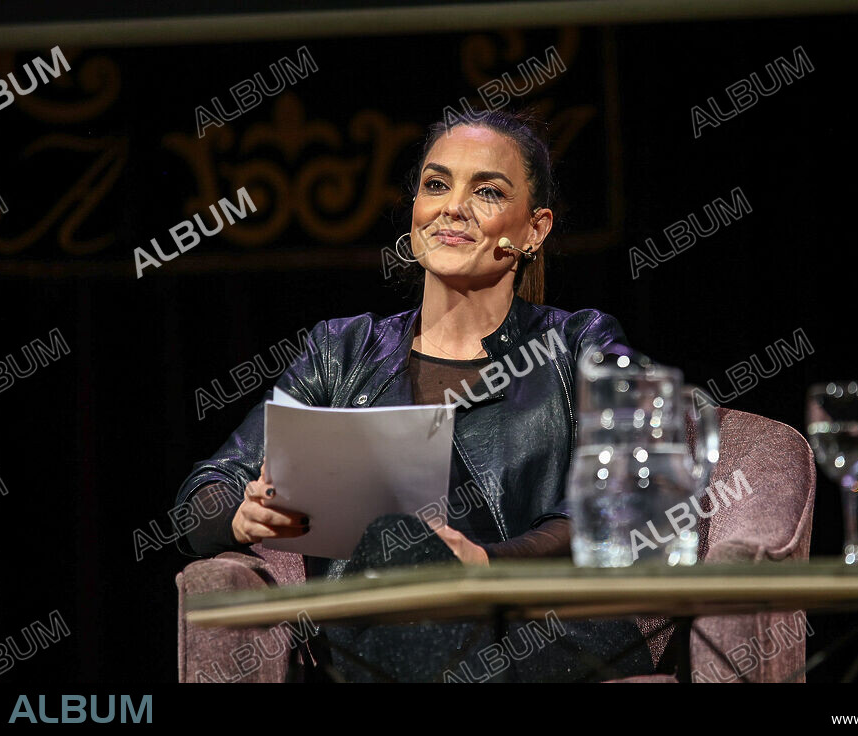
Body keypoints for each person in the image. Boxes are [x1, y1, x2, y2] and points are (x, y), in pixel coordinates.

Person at [175, 109, 656, 682]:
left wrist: (484, 564)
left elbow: (621, 496)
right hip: (374, 630)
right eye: (436, 184)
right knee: (392, 547)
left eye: (488, 191)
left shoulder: (580, 343)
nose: (452, 207)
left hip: (536, 632)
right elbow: (202, 496)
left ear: (534, 229)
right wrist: (241, 515)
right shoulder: (342, 351)